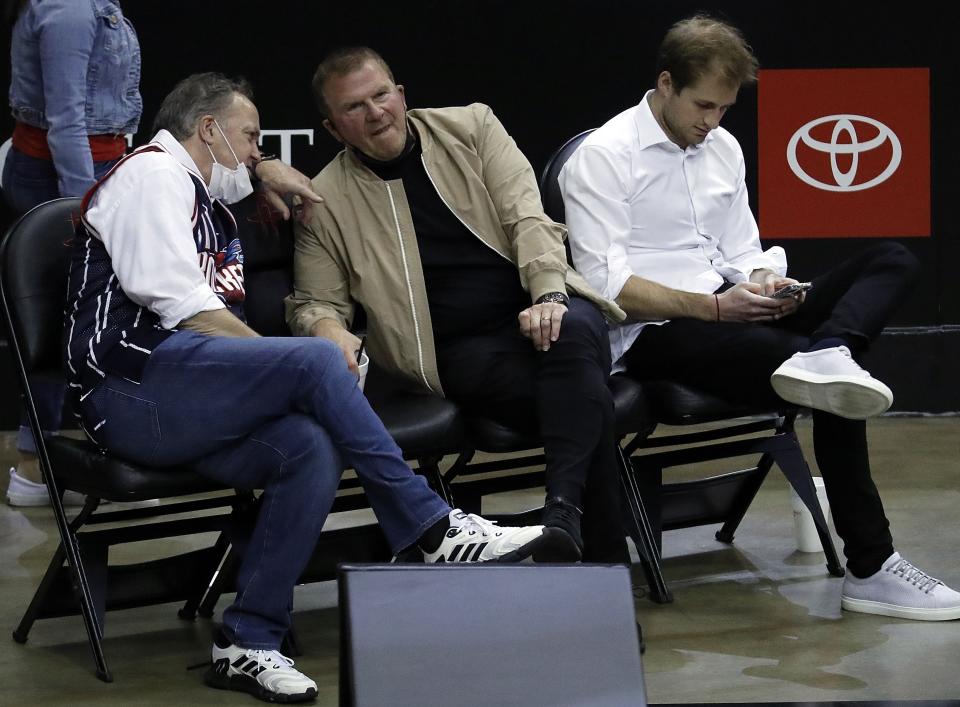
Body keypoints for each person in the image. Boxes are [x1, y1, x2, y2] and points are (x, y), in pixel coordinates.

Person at [64, 72, 566, 703]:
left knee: (308, 447)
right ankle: (430, 527)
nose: (256, 153)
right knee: (316, 362)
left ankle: (248, 638)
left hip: (184, 399)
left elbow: (218, 318)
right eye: (251, 138)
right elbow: (185, 311)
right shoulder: (150, 176)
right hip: (128, 391)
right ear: (209, 129)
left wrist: (261, 172)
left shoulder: (199, 190)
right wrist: (296, 368)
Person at [559, 14, 960, 620]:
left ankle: (831, 347)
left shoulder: (721, 147)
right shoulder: (602, 158)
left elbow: (741, 249)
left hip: (735, 308)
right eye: (702, 105)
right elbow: (606, 286)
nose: (711, 122)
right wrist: (716, 307)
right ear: (665, 84)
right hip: (659, 331)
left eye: (723, 108)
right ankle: (872, 567)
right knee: (832, 391)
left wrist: (766, 281)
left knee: (891, 260)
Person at [287, 47, 630, 562]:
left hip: (536, 313)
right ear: (333, 129)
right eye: (354, 108)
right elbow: (314, 302)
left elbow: (527, 220)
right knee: (588, 404)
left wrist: (549, 295)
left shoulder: (472, 128)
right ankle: (593, 564)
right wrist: (326, 329)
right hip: (455, 351)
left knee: (577, 327)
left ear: (401, 95)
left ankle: (563, 518)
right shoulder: (323, 199)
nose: (376, 112)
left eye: (381, 94)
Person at [3, 0, 141, 506]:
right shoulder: (70, 10)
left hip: (94, 172)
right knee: (62, 323)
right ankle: (34, 468)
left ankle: (95, 451)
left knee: (98, 318)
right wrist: (88, 207)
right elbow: (65, 124)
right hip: (66, 180)